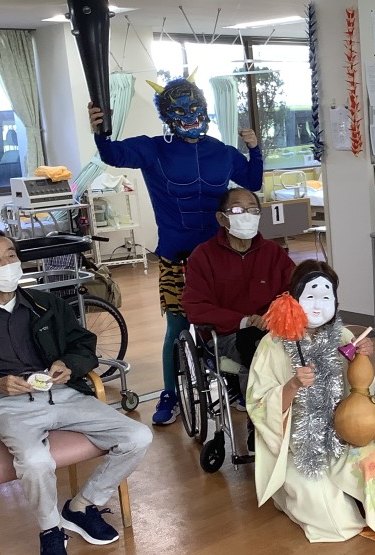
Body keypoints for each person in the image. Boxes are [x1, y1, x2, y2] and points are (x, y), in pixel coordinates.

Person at [0, 230, 152, 555]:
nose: (7, 264)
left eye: (11, 256)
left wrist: (69, 365)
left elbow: (83, 345)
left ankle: (82, 506)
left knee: (138, 436)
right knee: (36, 461)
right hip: (6, 403)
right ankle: (50, 529)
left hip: (63, 393)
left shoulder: (47, 304)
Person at [89, 74, 262, 426]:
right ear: (167, 116)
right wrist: (100, 131)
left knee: (228, 322)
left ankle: (233, 382)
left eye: (196, 107)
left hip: (220, 255)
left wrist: (255, 149)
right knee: (177, 326)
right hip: (176, 256)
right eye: (180, 111)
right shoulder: (154, 149)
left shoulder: (222, 152)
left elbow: (253, 181)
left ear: (206, 109)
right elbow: (113, 155)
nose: (191, 115)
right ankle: (169, 393)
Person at [247, 261, 375, 542]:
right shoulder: (272, 344)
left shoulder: (344, 337)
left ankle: (349, 495)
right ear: (293, 298)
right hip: (298, 445)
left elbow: (363, 393)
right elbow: (258, 405)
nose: (317, 305)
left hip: (342, 434)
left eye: (325, 297)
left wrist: (362, 360)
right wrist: (292, 385)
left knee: (369, 469)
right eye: (310, 296)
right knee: (331, 514)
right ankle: (291, 495)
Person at [182, 187, 296, 464]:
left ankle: (292, 418)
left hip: (272, 330)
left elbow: (295, 289)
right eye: (237, 210)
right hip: (226, 336)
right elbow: (195, 307)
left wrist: (272, 315)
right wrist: (243, 320)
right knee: (258, 350)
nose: (246, 215)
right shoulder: (203, 257)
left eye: (253, 210)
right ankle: (260, 423)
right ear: (221, 218)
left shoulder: (273, 253)